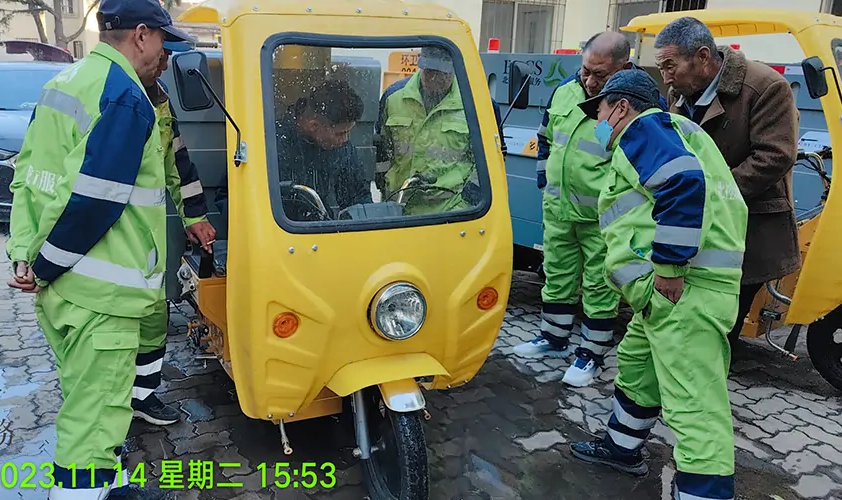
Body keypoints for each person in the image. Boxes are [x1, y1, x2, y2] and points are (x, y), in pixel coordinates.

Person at [4, 0, 195, 496]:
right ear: (140, 35)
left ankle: (101, 478)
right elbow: (95, 201)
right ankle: (85, 489)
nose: (163, 56)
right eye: (161, 42)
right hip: (101, 294)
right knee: (97, 415)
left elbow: (28, 177)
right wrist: (43, 266)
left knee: (83, 396)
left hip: (67, 294)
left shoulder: (63, 85)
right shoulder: (126, 96)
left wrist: (25, 253)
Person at [568, 69, 747, 500]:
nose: (598, 119)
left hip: (683, 292)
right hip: (669, 296)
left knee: (694, 403)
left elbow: (683, 184)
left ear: (622, 107)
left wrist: (668, 267)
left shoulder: (643, 130)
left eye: (601, 109)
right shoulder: (679, 130)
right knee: (636, 366)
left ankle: (704, 493)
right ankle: (622, 449)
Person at [512, 32, 663, 388]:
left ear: (624, 68)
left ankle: (591, 355)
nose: (590, 81)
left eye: (601, 75)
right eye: (586, 70)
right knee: (557, 275)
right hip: (559, 209)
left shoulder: (638, 106)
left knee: (600, 286)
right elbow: (545, 135)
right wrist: (544, 179)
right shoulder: (564, 91)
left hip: (603, 218)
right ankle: (553, 339)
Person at [654, 17, 801, 350]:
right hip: (696, 225)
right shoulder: (679, 91)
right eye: (661, 67)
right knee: (689, 324)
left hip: (747, 231)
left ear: (703, 57)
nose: (665, 76)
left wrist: (705, 191)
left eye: (669, 65)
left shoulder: (766, 87)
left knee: (719, 331)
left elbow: (774, 157)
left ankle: (706, 393)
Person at [132, 48, 217, 426]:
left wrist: (195, 215)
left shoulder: (160, 98)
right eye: (162, 53)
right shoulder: (94, 91)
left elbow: (178, 164)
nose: (166, 63)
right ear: (139, 37)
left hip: (145, 240)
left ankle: (143, 396)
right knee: (109, 334)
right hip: (101, 243)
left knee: (153, 313)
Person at [375, 45, 496, 215]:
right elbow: (381, 147)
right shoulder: (393, 97)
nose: (433, 79)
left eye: (440, 73)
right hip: (400, 207)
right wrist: (384, 185)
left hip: (450, 209)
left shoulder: (476, 104)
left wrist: (469, 200)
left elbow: (491, 159)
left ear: (454, 70)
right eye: (429, 71)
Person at [276, 80, 372, 216]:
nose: (345, 140)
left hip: (323, 227)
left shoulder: (342, 148)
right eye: (340, 133)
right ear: (314, 126)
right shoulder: (274, 145)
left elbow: (358, 197)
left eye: (348, 132)